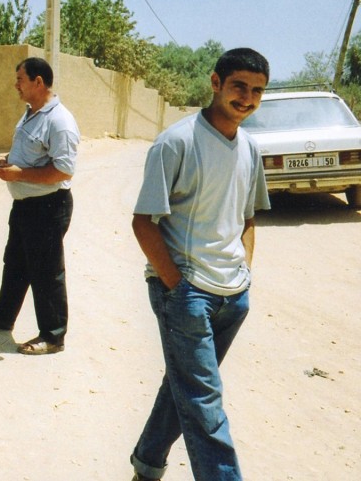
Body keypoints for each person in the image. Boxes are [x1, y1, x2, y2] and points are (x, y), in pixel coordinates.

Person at [128, 48, 270, 481]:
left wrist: (244, 274)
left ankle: (147, 466)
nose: (246, 98)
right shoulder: (177, 141)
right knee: (205, 403)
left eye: (257, 91)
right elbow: (143, 223)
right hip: (188, 295)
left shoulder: (249, 148)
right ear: (215, 83)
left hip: (232, 295)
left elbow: (248, 217)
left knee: (185, 390)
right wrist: (178, 284)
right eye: (238, 87)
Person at [0, 56, 79, 356]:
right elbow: (30, 152)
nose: (15, 84)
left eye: (20, 79)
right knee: (15, 261)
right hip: (26, 205)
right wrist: (9, 163)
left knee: (46, 271)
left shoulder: (60, 121)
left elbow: (63, 171)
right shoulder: (32, 113)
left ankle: (53, 336)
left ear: (38, 82)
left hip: (48, 205)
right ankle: (3, 315)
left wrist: (19, 174)